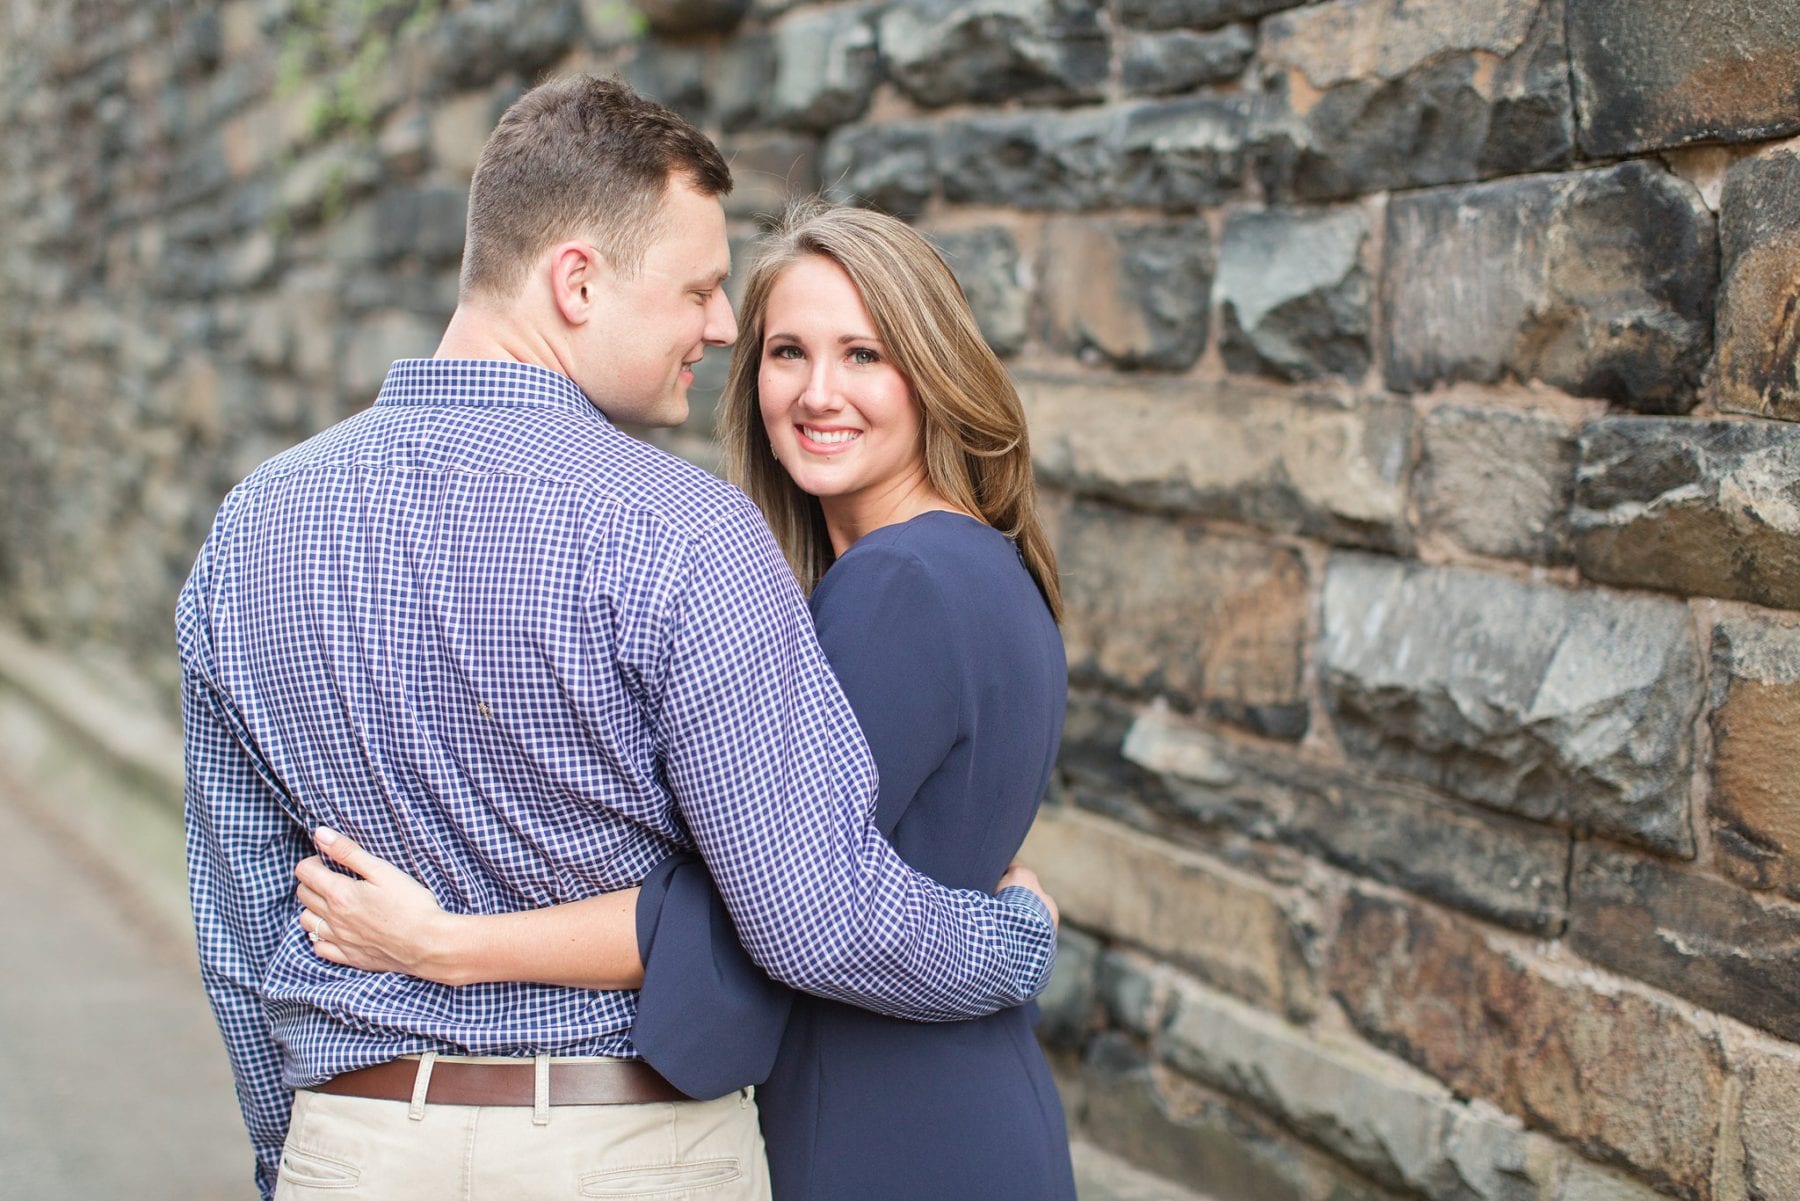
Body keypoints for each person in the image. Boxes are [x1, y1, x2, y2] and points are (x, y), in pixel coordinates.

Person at [178, 77, 1060, 1201]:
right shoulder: (684, 532)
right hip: (621, 1150)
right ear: (578, 282)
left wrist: (296, 1151)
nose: (722, 325)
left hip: (353, 1143)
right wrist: (1015, 940)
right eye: (699, 288)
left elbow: (242, 917)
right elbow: (813, 916)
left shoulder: (252, 525)